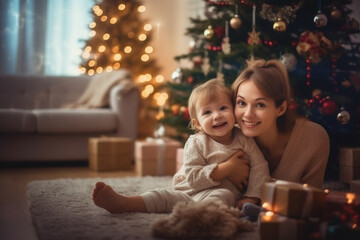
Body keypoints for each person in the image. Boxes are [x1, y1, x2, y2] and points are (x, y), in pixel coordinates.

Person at [92, 78, 269, 214]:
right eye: (207, 112)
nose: (217, 116)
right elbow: (192, 177)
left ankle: (194, 214)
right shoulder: (196, 142)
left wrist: (251, 196)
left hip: (220, 196)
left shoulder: (244, 139)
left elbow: (260, 166)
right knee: (162, 195)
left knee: (224, 195)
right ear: (197, 123)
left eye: (223, 108)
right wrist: (226, 168)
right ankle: (124, 203)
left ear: (233, 111)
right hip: (191, 192)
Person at [230, 58, 330, 193]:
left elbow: (308, 202)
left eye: (260, 105)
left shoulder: (312, 138)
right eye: (241, 103)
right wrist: (223, 170)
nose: (248, 114)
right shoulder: (228, 138)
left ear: (281, 109)